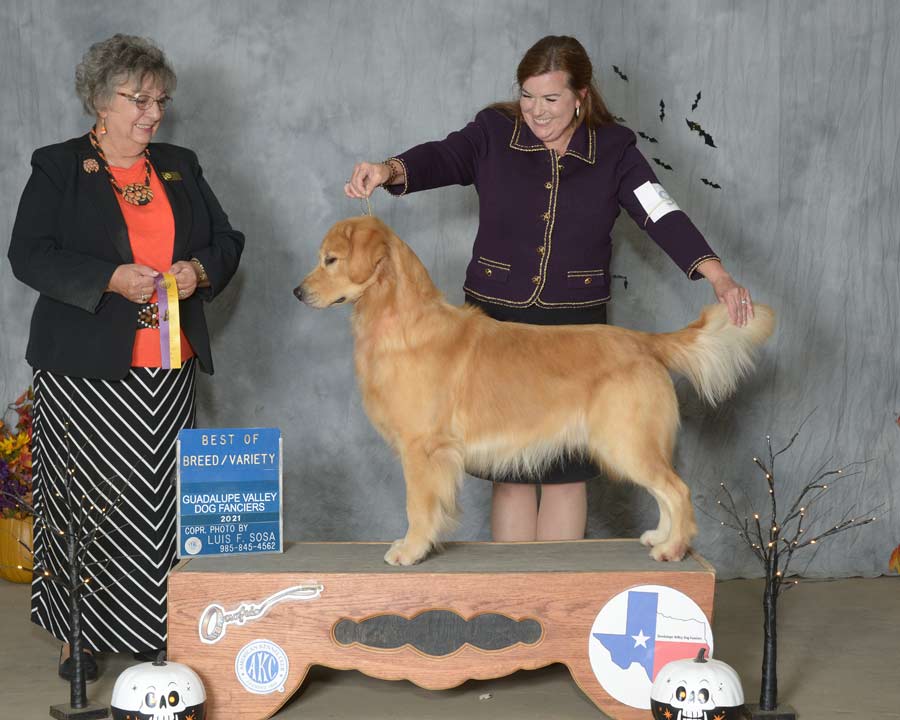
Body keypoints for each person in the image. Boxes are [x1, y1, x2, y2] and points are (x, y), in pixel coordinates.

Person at [345, 35, 754, 546]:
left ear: (581, 95)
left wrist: (716, 274)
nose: (536, 111)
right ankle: (514, 593)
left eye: (551, 99)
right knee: (511, 478)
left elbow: (660, 212)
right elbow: (443, 157)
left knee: (565, 478)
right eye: (528, 96)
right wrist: (389, 170)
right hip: (494, 325)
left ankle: (556, 597)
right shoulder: (493, 132)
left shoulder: (614, 149)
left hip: (576, 334)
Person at [7, 34, 244, 679]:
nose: (151, 113)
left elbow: (228, 240)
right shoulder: (58, 167)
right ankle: (75, 635)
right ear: (98, 101)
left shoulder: (179, 164)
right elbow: (28, 254)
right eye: (136, 98)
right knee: (82, 503)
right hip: (82, 371)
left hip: (167, 370)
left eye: (159, 100)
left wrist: (199, 268)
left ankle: (151, 628)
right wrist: (108, 278)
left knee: (160, 503)